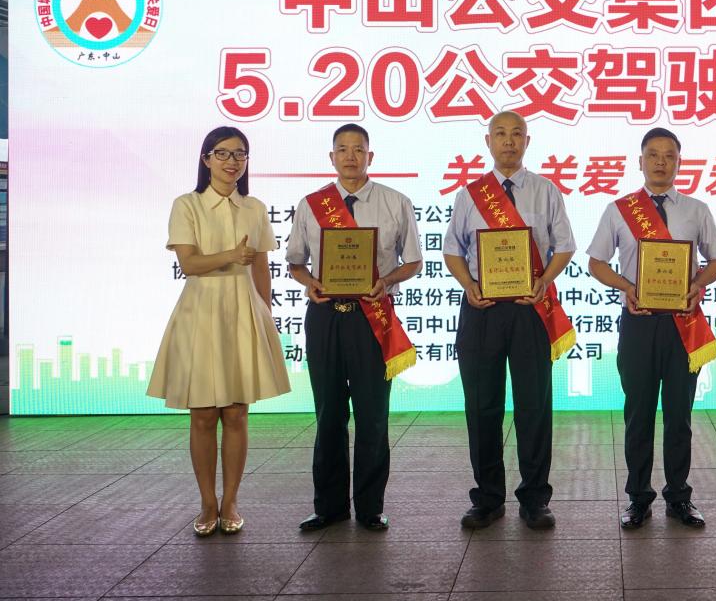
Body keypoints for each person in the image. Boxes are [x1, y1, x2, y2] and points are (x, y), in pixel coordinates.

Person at [148, 126, 290, 536]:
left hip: (244, 310)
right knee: (203, 414)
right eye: (223, 153)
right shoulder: (187, 204)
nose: (232, 161)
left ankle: (230, 502)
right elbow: (189, 264)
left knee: (237, 412)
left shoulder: (254, 207)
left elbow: (260, 266)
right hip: (202, 311)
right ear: (206, 158)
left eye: (240, 154)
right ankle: (207, 503)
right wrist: (231, 254)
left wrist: (265, 313)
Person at [587, 127, 716, 530]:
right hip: (639, 323)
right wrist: (626, 287)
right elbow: (596, 263)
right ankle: (638, 498)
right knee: (639, 413)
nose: (661, 162)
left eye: (669, 156)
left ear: (679, 163)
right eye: (653, 155)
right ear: (640, 161)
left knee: (679, 415)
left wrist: (698, 285)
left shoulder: (696, 210)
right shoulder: (619, 209)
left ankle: (679, 496)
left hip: (683, 324)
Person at [443, 111, 577, 530]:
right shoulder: (470, 195)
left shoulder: (545, 190)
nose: (508, 141)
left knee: (534, 405)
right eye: (500, 134)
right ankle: (487, 498)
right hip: (481, 308)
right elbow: (452, 250)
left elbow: (564, 246)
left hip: (530, 309)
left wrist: (544, 281)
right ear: (488, 141)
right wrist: (468, 285)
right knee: (482, 405)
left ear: (527, 142)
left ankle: (535, 499)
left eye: (517, 134)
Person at [287, 124, 422, 533]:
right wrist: (310, 283)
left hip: (372, 317)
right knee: (328, 414)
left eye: (358, 149)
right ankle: (329, 507)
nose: (350, 156)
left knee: (372, 415)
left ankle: (369, 507)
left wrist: (388, 279)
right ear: (332, 157)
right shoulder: (311, 205)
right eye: (342, 149)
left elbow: (413, 261)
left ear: (370, 156)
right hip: (325, 317)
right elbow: (295, 262)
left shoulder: (395, 202)